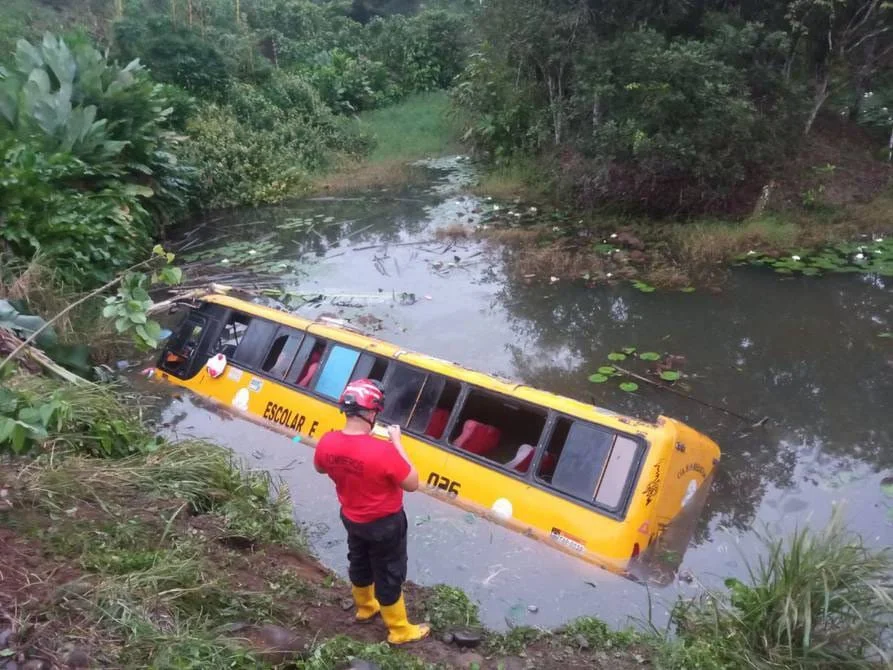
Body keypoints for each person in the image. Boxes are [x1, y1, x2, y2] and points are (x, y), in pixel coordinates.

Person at [313, 378, 430, 645]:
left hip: (352, 518)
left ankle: (365, 608)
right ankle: (400, 630)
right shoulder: (384, 451)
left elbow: (320, 468)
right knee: (389, 572)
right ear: (371, 412)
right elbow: (412, 483)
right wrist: (397, 442)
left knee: (359, 560)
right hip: (385, 524)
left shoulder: (327, 442)